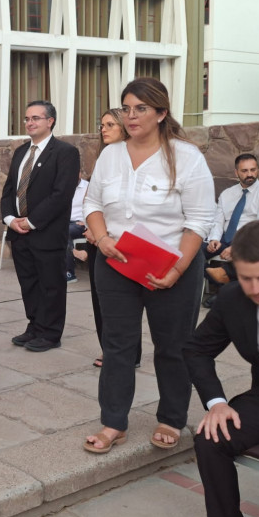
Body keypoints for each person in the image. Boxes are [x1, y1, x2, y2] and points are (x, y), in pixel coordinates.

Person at [82, 77, 215, 454]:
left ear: (161, 113)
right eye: (126, 108)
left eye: (141, 108)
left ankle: (171, 418)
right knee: (117, 345)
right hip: (115, 263)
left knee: (172, 345)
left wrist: (177, 270)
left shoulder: (186, 156)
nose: (132, 115)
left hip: (172, 265)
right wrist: (102, 239)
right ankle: (113, 423)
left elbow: (199, 219)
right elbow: (92, 203)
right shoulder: (111, 155)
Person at [184, 220, 259, 517]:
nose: (256, 289)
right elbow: (197, 350)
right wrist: (217, 403)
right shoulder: (233, 298)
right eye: (247, 278)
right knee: (211, 438)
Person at [0, 100, 80, 352]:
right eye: (27, 118)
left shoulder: (65, 153)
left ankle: (51, 333)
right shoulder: (21, 152)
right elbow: (9, 190)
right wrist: (10, 219)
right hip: (19, 232)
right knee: (29, 284)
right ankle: (34, 326)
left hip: (46, 232)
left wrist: (32, 221)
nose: (30, 123)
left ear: (50, 121)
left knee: (51, 285)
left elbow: (61, 194)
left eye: (36, 118)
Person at [82, 108, 140, 369]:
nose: (103, 129)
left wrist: (102, 232)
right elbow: (93, 201)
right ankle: (108, 348)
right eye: (102, 125)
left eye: (110, 125)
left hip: (122, 240)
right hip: (98, 239)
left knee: (127, 304)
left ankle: (128, 353)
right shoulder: (104, 157)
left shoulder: (133, 158)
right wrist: (93, 230)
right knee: (101, 301)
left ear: (124, 127)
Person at [202, 153, 259, 302]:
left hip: (248, 239)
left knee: (255, 253)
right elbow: (218, 220)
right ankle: (226, 285)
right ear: (236, 172)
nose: (250, 174)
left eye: (253, 170)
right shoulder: (227, 194)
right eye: (244, 171)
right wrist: (214, 239)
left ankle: (224, 288)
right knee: (194, 254)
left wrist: (237, 247)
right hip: (224, 239)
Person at [65, 175, 89, 283]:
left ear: (80, 173)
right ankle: (74, 252)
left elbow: (94, 205)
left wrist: (87, 221)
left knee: (64, 231)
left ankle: (69, 274)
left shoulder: (88, 187)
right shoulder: (64, 185)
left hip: (79, 224)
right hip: (64, 222)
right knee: (53, 231)